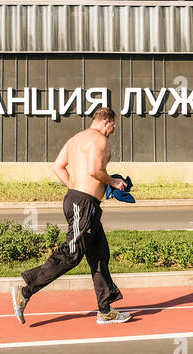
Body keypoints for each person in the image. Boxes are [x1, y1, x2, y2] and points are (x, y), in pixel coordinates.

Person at [12, 107, 132, 324]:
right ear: (107, 120)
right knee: (71, 254)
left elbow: (58, 167)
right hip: (83, 205)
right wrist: (112, 182)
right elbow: (94, 170)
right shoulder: (99, 140)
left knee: (100, 255)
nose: (114, 129)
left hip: (84, 203)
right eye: (114, 124)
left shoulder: (75, 139)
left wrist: (76, 189)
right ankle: (25, 291)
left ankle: (105, 310)